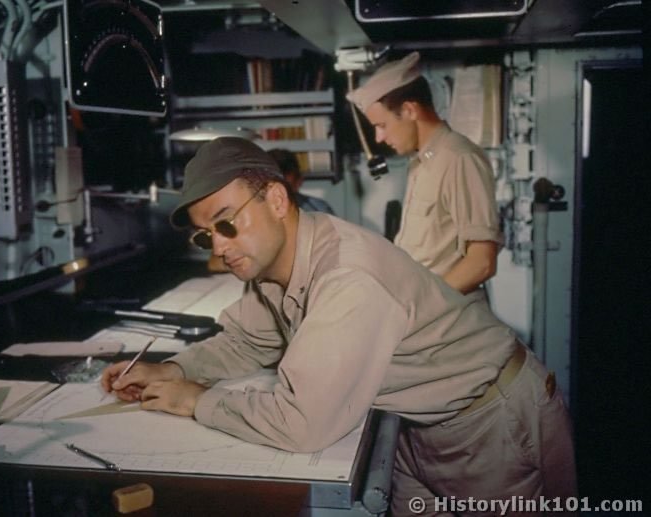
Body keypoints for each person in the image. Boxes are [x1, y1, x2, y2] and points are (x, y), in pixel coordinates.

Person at [101, 137, 576, 515]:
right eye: (207, 237)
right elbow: (247, 343)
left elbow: (303, 424)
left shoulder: (347, 274)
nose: (219, 248)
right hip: (417, 425)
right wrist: (174, 369)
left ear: (276, 199)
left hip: (492, 422)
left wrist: (198, 400)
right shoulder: (275, 266)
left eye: (227, 225)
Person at [347, 51, 502, 297]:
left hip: (446, 314)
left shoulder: (458, 158)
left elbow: (481, 262)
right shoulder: (422, 162)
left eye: (382, 125)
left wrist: (425, 304)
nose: (379, 138)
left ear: (409, 110)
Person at [267, 148, 335, 214]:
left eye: (286, 188)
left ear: (299, 181)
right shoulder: (260, 213)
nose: (280, 195)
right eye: (271, 187)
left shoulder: (320, 211)